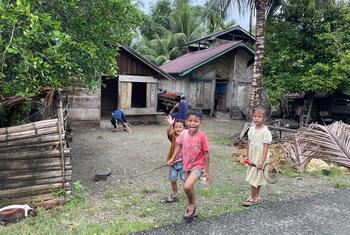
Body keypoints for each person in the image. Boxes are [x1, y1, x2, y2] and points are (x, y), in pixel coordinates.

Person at [167, 110, 212, 219]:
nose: (193, 123)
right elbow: (178, 146)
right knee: (189, 187)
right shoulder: (183, 134)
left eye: (196, 121)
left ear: (200, 122)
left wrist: (206, 171)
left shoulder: (202, 136)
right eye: (190, 120)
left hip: (198, 166)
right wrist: (172, 158)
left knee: (186, 186)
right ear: (186, 121)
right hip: (186, 165)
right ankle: (192, 207)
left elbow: (207, 153)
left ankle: (191, 204)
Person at [242, 107, 272, 206]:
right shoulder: (251, 129)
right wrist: (247, 155)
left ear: (264, 118)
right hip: (252, 155)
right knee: (255, 175)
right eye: (255, 116)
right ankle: (256, 195)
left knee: (256, 176)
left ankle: (252, 197)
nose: (256, 119)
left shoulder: (265, 131)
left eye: (259, 117)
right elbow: (249, 143)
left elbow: (265, 148)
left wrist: (261, 161)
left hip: (261, 157)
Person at [165, 116, 185, 203]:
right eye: (176, 127)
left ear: (184, 128)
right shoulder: (173, 137)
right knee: (173, 179)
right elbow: (168, 133)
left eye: (180, 127)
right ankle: (175, 193)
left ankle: (189, 192)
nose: (178, 129)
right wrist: (170, 125)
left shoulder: (187, 137)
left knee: (185, 179)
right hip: (173, 163)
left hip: (184, 163)